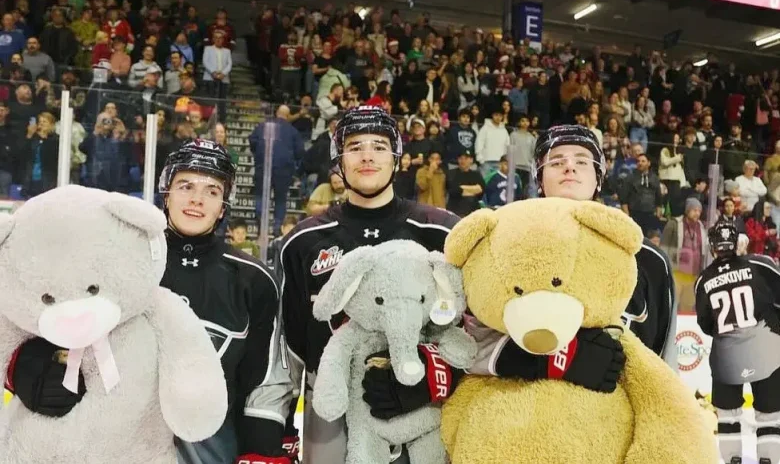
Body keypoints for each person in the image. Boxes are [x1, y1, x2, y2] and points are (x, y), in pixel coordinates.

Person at [276, 107, 626, 464]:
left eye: (379, 146)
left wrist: (436, 373)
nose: (367, 155)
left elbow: (476, 326)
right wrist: (278, 430)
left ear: (397, 157)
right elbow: (290, 350)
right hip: (333, 404)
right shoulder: (303, 241)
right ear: (339, 159)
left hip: (425, 404)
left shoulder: (444, 231)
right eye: (355, 146)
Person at [5, 140, 296, 464]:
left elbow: (265, 374)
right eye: (186, 185)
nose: (197, 199)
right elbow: (42, 312)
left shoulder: (252, 279)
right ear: (166, 193)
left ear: (223, 206)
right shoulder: (119, 255)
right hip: (115, 439)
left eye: (212, 191)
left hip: (205, 438)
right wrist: (24, 365)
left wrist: (263, 448)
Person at [511, 125, 677, 366]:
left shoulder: (647, 258)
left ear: (598, 177)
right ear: (540, 178)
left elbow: (663, 362)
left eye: (582, 161)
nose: (569, 167)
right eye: (556, 162)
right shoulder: (511, 245)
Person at [694, 221, 780, 464]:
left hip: (726, 358)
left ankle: (732, 460)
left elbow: (704, 323)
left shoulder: (703, 279)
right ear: (738, 242)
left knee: (728, 417)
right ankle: (769, 460)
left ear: (712, 246)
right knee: (770, 417)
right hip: (767, 351)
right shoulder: (759, 264)